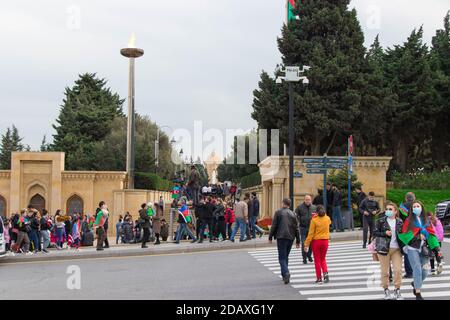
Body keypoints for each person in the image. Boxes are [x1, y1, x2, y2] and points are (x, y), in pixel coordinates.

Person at [398, 200, 440, 300]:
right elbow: (404, 235)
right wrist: (417, 236)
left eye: (418, 206)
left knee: (425, 271)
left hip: (424, 248)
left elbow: (432, 235)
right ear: (412, 209)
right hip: (412, 248)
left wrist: (436, 248)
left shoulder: (427, 220)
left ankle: (415, 283)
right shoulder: (409, 221)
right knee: (417, 269)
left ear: (421, 207)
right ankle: (418, 292)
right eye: (414, 207)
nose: (416, 208)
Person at [374, 202, 404, 300]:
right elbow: (374, 232)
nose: (388, 211)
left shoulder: (400, 221)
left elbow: (403, 235)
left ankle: (397, 290)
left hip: (396, 249)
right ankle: (386, 290)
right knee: (385, 272)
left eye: (390, 209)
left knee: (398, 270)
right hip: (383, 249)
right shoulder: (380, 221)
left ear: (395, 211)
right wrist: (384, 233)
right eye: (387, 209)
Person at [269, 198, 300, 285]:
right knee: (286, 256)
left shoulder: (278, 212)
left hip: (281, 236)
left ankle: (286, 273)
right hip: (291, 237)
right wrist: (298, 240)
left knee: (281, 257)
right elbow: (296, 228)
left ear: (283, 203)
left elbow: (274, 225)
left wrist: (270, 236)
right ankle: (284, 274)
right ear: (289, 204)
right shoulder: (293, 213)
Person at [304, 205, 332, 284]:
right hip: (325, 241)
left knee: (317, 260)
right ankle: (326, 274)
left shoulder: (314, 220)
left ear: (316, 212)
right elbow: (329, 221)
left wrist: (306, 244)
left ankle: (319, 278)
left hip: (316, 242)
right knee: (323, 259)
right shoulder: (327, 219)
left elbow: (311, 234)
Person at [399, 192, 416, 278]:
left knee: (407, 252)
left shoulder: (402, 207)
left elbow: (399, 219)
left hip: (405, 231)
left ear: (406, 198)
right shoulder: (416, 205)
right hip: (415, 231)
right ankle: (416, 270)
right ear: (414, 198)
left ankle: (409, 272)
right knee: (416, 250)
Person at [295, 195, 316, 264]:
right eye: (306, 199)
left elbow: (317, 217)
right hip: (303, 228)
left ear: (311, 200)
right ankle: (304, 258)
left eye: (309, 199)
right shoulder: (300, 207)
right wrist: (298, 222)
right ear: (304, 200)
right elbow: (295, 215)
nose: (308, 201)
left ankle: (309, 255)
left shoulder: (314, 207)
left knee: (311, 244)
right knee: (304, 243)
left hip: (312, 229)